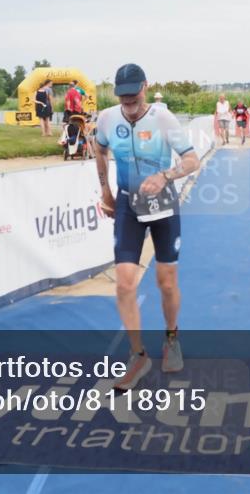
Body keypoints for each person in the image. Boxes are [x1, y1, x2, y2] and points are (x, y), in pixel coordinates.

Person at [93, 63, 200, 390]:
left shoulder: (163, 118)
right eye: (122, 96)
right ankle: (138, 356)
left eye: (134, 94)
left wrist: (165, 175)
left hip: (162, 202)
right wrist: (106, 190)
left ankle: (171, 338)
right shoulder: (108, 118)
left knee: (165, 282)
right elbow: (98, 147)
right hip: (127, 203)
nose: (128, 102)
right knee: (124, 284)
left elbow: (192, 160)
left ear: (145, 87)